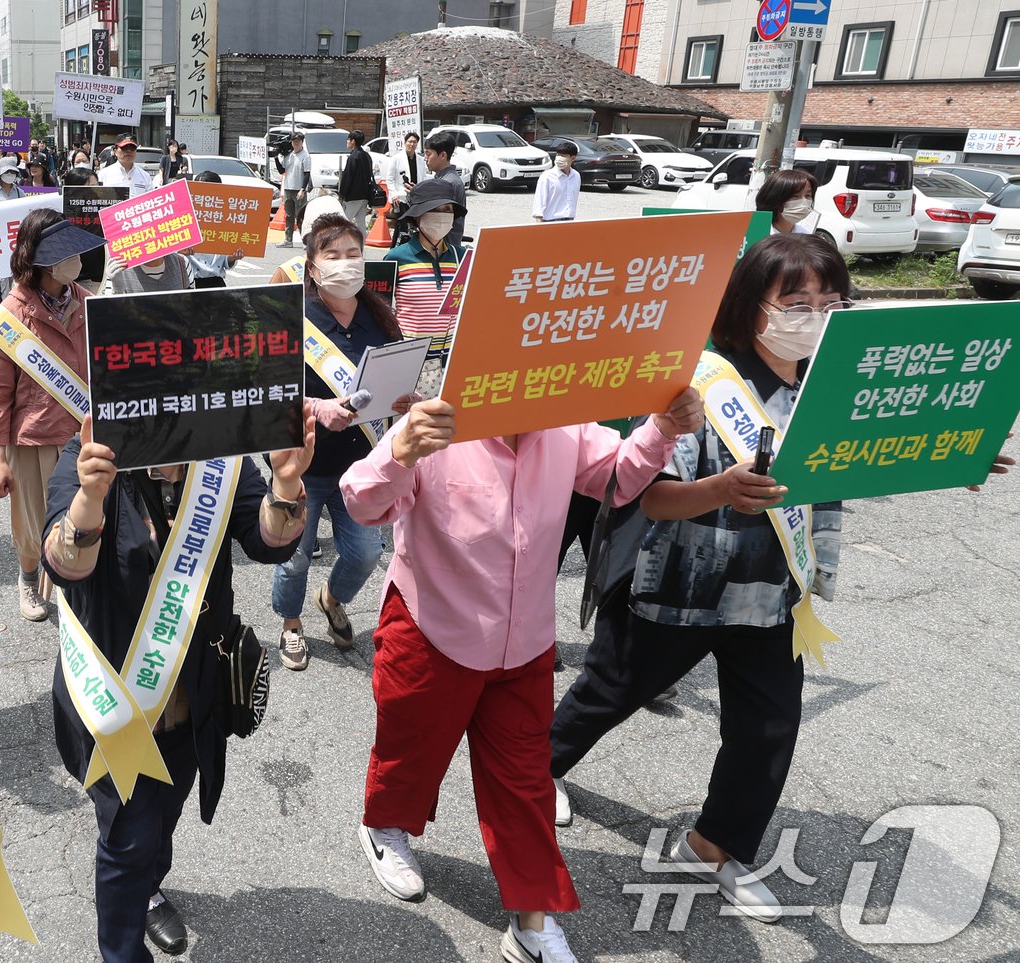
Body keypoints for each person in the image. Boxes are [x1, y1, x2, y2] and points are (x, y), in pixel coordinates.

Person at [548, 233, 1013, 923]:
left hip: (772, 595)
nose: (814, 316)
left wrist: (954, 456)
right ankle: (537, 772)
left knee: (768, 727)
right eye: (796, 302)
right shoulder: (697, 381)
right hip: (678, 587)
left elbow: (872, 459)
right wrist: (719, 490)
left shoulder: (834, 385)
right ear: (751, 305)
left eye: (831, 302)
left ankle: (713, 847)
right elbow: (648, 497)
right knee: (609, 692)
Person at [340, 381, 704, 963]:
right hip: (432, 630)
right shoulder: (437, 423)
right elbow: (362, 502)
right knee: (412, 749)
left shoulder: (561, 420)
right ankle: (384, 826)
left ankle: (532, 920)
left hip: (525, 642)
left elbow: (616, 478)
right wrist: (400, 450)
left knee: (525, 779)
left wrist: (662, 428)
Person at [42, 407, 312, 963]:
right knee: (128, 839)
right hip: (115, 697)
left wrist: (285, 484)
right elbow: (63, 564)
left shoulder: (219, 461)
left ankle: (150, 888)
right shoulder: (89, 457)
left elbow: (268, 542)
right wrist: (89, 499)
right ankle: (122, 950)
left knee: (166, 813)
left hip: (192, 697)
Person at [272, 212, 411, 672]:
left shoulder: (379, 317)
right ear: (312, 267)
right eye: (333, 255)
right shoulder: (292, 317)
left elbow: (396, 380)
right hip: (303, 465)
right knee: (294, 557)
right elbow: (267, 391)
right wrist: (316, 408)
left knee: (366, 553)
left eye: (354, 254)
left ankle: (331, 599)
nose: (345, 264)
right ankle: (291, 623)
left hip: (362, 464)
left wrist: (407, 400)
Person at [0, 210, 105, 621]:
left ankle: (79, 590)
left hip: (84, 432)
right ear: (47, 263)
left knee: (85, 518)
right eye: (68, 255)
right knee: (34, 524)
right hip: (34, 439)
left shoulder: (87, 303)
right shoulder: (10, 316)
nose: (78, 261)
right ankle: (29, 580)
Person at [384, 179, 466, 398]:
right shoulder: (396, 258)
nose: (442, 215)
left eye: (447, 210)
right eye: (434, 210)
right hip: (410, 362)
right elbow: (380, 311)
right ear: (417, 216)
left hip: (453, 363)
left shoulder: (463, 257)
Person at [422, 132, 467, 249]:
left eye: (428, 154)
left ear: (442, 155)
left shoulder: (448, 183)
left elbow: (437, 216)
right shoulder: (445, 179)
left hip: (444, 247)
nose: (425, 158)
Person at [757, 168, 819, 235]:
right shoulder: (756, 234)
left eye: (808, 195)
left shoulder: (805, 236)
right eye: (795, 196)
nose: (804, 201)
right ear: (776, 199)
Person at [276, 132, 311, 248]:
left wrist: (303, 189)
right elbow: (282, 170)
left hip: (298, 190)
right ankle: (288, 240)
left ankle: (305, 241)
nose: (296, 143)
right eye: (294, 141)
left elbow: (307, 174)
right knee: (288, 215)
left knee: (301, 216)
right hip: (288, 188)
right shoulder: (289, 155)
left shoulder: (305, 156)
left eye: (298, 141)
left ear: (302, 142)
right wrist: (275, 157)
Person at [106, 250, 194, 294]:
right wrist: (117, 288)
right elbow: (111, 313)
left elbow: (192, 303)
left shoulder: (182, 261)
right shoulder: (118, 269)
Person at [533, 141, 580, 223]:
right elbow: (539, 203)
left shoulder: (576, 176)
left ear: (573, 158)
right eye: (558, 155)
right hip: (551, 221)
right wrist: (539, 223)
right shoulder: (547, 176)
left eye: (563, 156)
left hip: (569, 221)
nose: (559, 158)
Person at [337, 129, 374, 228]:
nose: (347, 141)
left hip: (353, 196)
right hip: (365, 195)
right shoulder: (367, 155)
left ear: (353, 141)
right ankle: (361, 239)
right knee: (360, 223)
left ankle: (342, 238)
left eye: (348, 139)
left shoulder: (353, 157)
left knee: (344, 222)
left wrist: (342, 195)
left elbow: (348, 177)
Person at [384, 131, 429, 205]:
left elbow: (423, 177)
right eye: (410, 141)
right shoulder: (396, 158)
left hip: (416, 197)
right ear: (405, 143)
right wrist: (394, 194)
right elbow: (389, 179)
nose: (412, 144)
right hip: (400, 197)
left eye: (414, 142)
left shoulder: (421, 160)